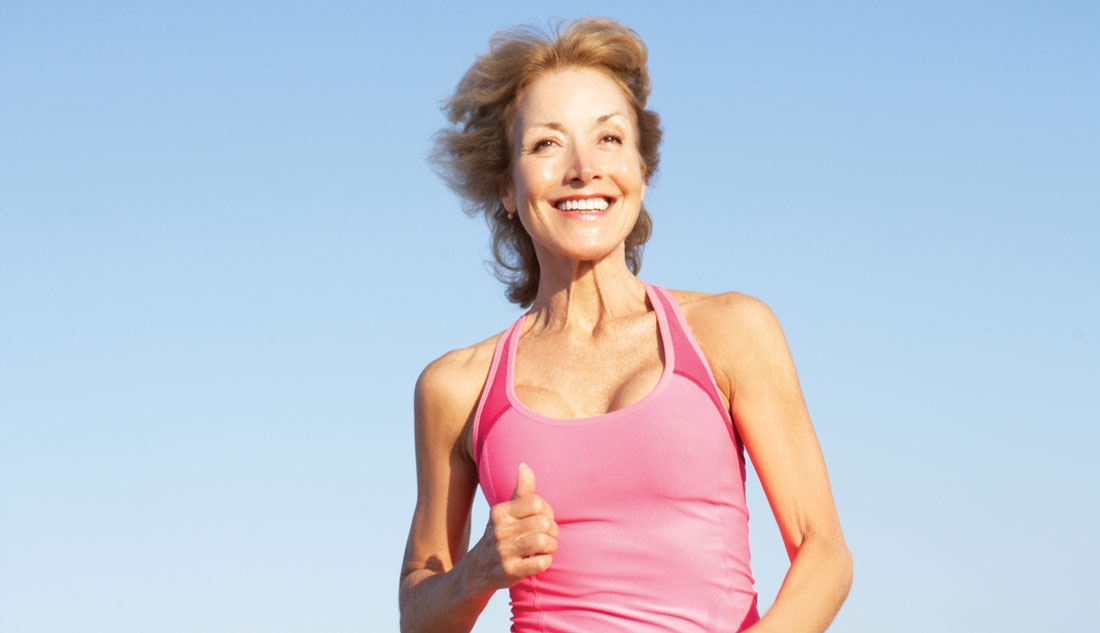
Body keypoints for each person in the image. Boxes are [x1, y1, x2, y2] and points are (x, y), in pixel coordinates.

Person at [399, 17, 852, 633]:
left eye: (610, 139)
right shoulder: (456, 388)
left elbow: (824, 554)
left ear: (642, 168)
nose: (584, 169)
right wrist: (479, 570)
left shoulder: (730, 332)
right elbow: (418, 616)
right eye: (546, 145)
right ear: (506, 187)